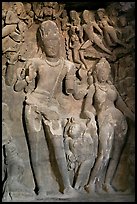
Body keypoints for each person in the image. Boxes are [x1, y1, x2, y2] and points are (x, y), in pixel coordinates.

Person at [14, 20, 79, 198]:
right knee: (36, 148)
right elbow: (18, 88)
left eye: (55, 41)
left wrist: (76, 77)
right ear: (42, 43)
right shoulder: (35, 63)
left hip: (51, 108)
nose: (52, 45)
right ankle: (41, 188)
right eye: (48, 42)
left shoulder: (67, 66)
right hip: (33, 105)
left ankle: (67, 187)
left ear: (60, 41)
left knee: (58, 146)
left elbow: (71, 91)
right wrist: (26, 78)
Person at [86, 58, 135, 193]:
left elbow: (123, 107)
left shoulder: (112, 88)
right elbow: (87, 108)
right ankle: (91, 183)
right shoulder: (93, 88)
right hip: (104, 119)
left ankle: (107, 183)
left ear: (109, 73)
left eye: (106, 72)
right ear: (97, 73)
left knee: (116, 154)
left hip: (119, 121)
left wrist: (132, 117)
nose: (103, 74)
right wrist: (90, 116)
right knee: (104, 153)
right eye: (101, 72)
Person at [64, 118, 95, 192]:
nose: (71, 130)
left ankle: (76, 187)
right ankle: (78, 186)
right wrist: (70, 154)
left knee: (81, 171)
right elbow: (66, 150)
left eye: (74, 128)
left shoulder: (86, 137)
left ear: (80, 130)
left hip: (87, 158)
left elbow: (91, 146)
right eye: (70, 129)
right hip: (76, 160)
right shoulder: (68, 140)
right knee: (76, 173)